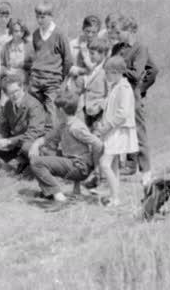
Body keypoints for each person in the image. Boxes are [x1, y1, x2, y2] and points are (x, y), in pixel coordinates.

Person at [28, 92, 103, 202]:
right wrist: (35, 145)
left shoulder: (75, 127)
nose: (55, 112)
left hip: (80, 167)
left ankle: (58, 196)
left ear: (61, 111)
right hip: (74, 164)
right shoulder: (63, 125)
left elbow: (98, 143)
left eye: (56, 109)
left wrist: (96, 167)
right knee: (41, 153)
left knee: (36, 162)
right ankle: (49, 193)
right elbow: (45, 139)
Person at [111, 15, 158, 182]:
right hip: (117, 95)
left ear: (130, 31)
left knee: (139, 133)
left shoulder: (140, 48)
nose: (116, 35)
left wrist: (141, 89)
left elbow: (140, 73)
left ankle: (146, 173)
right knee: (117, 131)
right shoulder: (117, 48)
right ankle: (118, 169)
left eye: (119, 32)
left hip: (132, 96)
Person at [94, 56, 138, 206]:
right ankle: (114, 196)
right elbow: (111, 108)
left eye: (108, 73)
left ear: (117, 72)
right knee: (113, 165)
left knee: (104, 163)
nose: (106, 76)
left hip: (119, 131)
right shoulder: (116, 86)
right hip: (114, 129)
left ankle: (116, 198)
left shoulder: (124, 88)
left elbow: (122, 113)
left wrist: (107, 126)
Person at [0, 74, 48, 173]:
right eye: (11, 93)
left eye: (16, 91)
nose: (15, 95)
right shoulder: (8, 104)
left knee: (26, 147)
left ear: (22, 87)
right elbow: (4, 125)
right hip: (18, 140)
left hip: (35, 140)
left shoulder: (33, 105)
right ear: (6, 94)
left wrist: (9, 141)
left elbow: (33, 133)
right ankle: (20, 162)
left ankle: (38, 165)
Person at [29, 2, 73, 126]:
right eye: (37, 17)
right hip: (36, 78)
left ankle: (52, 141)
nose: (40, 20)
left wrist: (61, 78)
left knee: (51, 112)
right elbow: (37, 55)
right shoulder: (36, 34)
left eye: (43, 17)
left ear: (51, 16)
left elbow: (68, 60)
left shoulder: (59, 34)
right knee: (34, 110)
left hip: (52, 80)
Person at [0, 19, 34, 90]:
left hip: (24, 80)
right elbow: (1, 64)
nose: (19, 33)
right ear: (11, 31)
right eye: (16, 31)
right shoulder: (6, 46)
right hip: (8, 79)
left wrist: (23, 65)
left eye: (22, 31)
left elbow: (36, 65)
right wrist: (6, 71)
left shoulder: (29, 46)